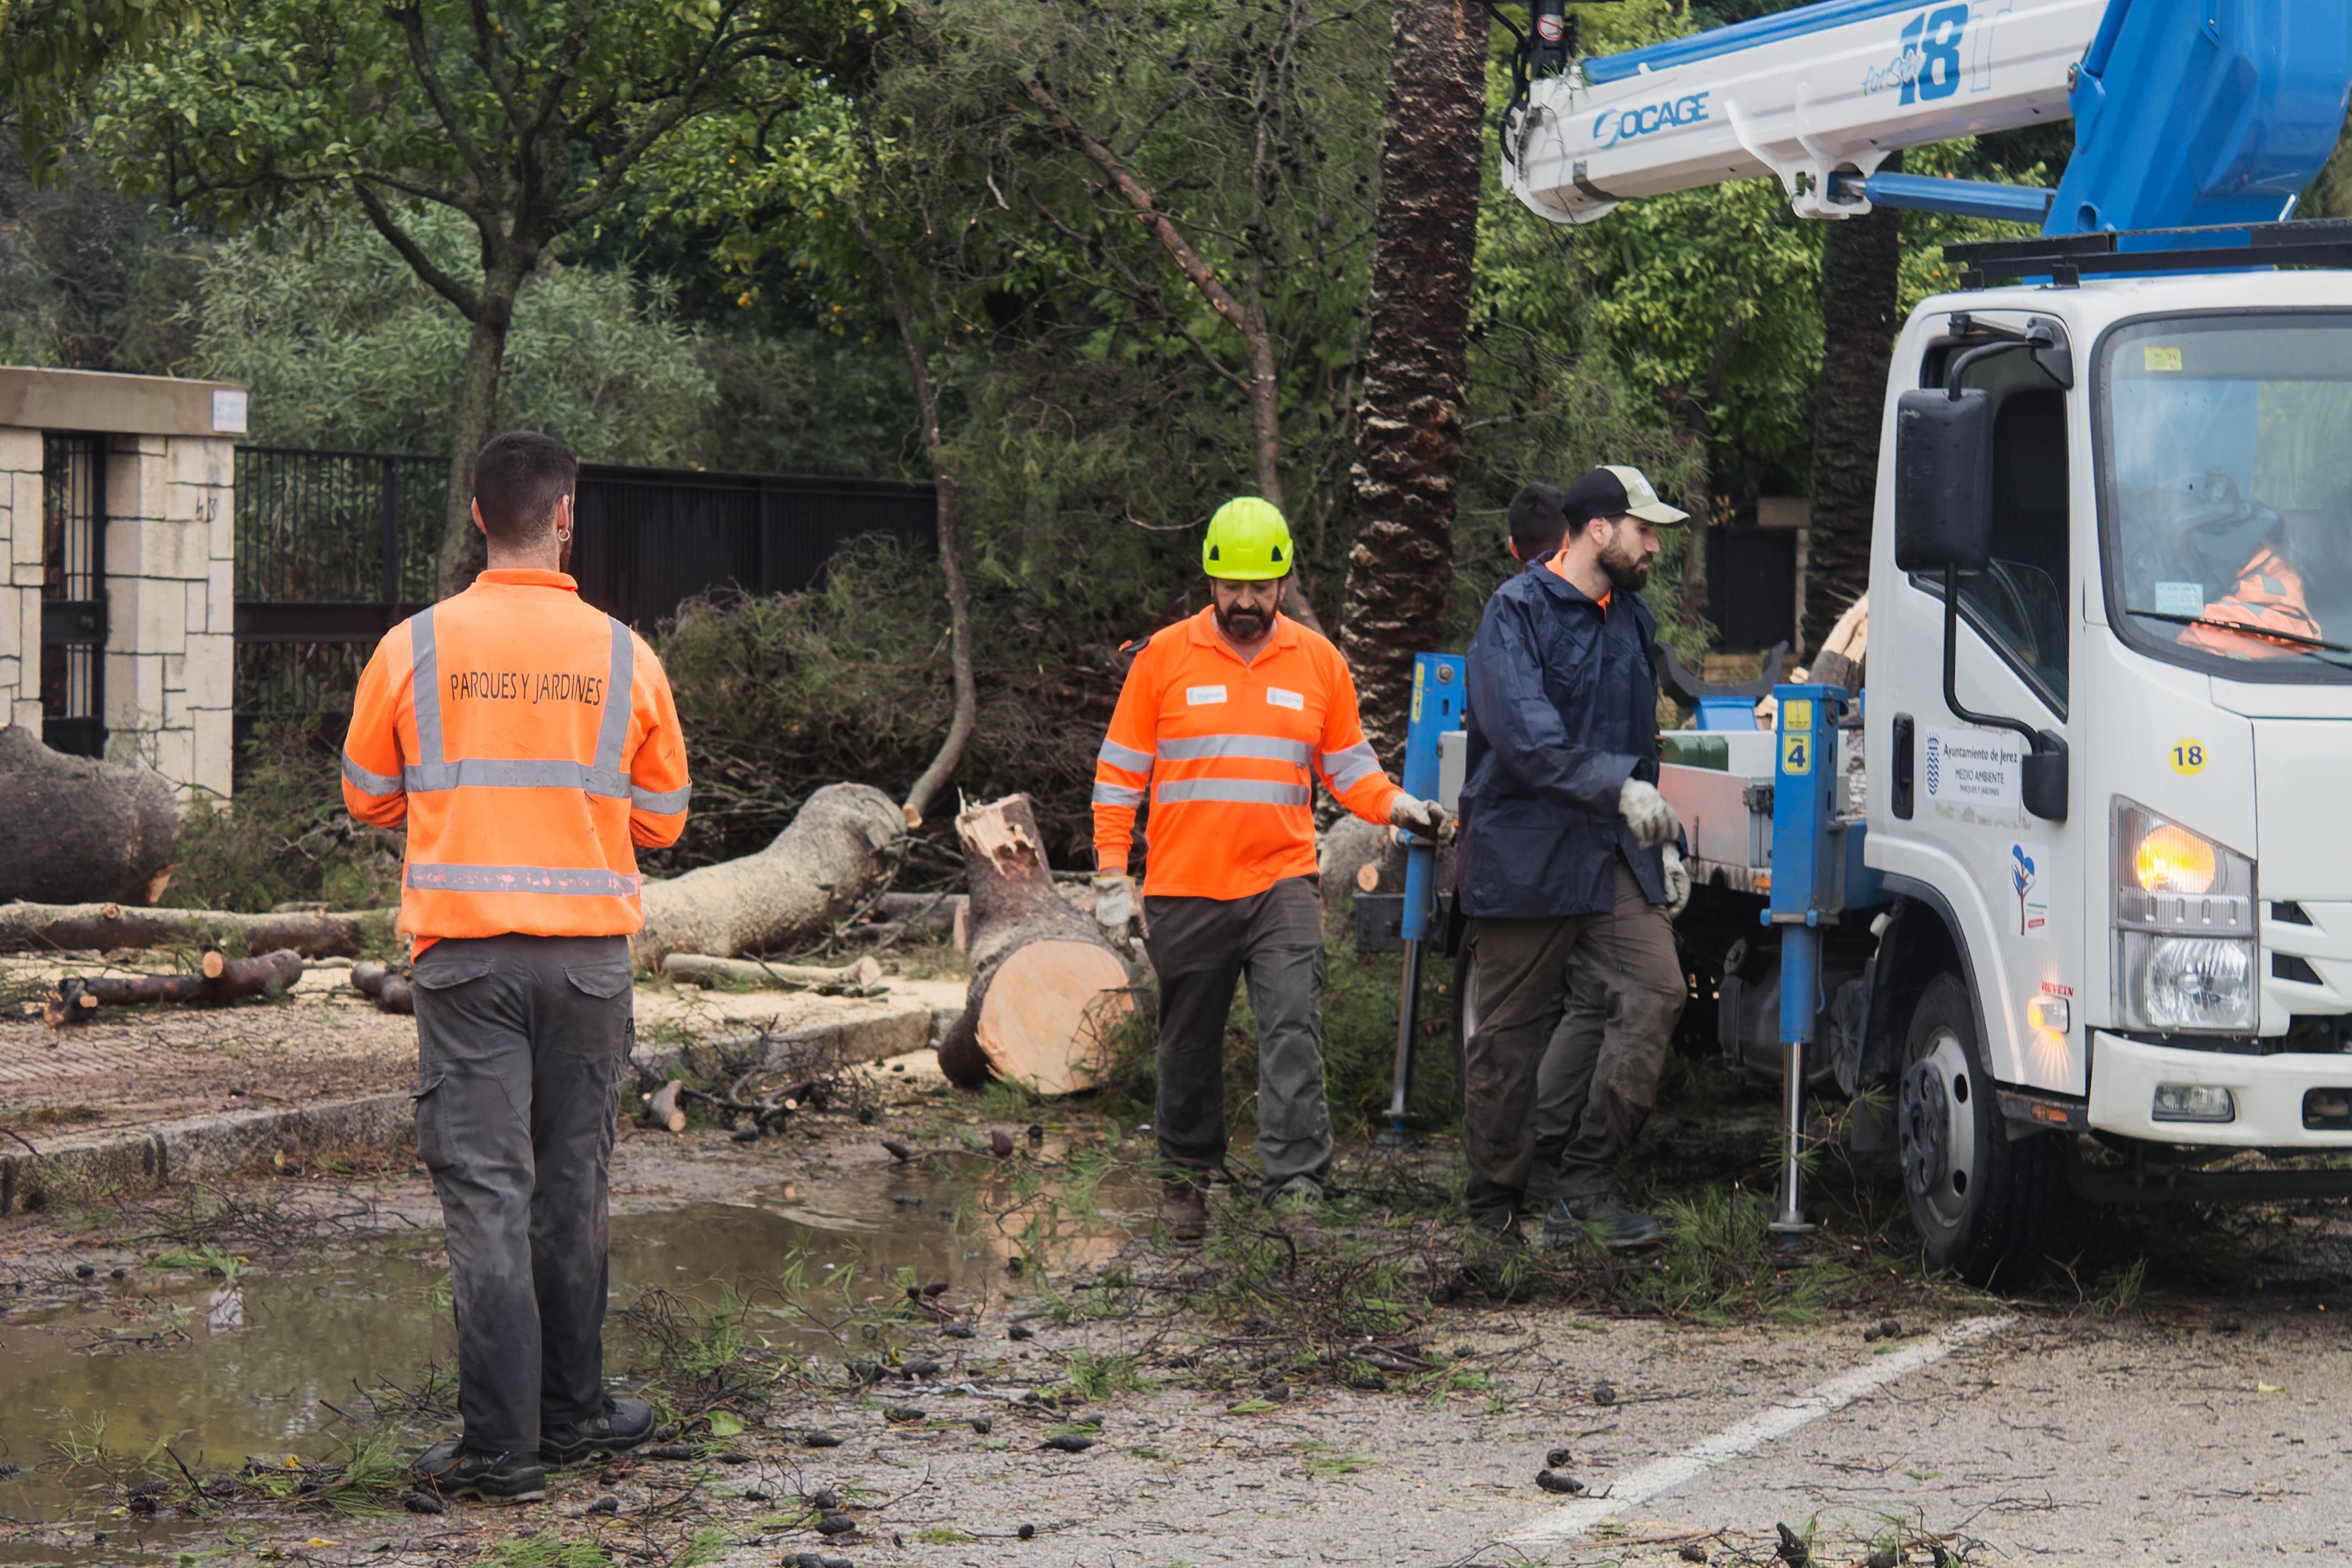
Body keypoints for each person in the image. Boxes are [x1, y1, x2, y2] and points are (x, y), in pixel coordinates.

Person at [342, 431, 692, 1501]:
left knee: (489, 1194)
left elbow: (367, 792)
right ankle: (573, 1412)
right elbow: (666, 819)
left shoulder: (413, 647)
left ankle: (502, 1447)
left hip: (465, 959)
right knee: (571, 1182)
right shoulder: (627, 655)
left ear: (479, 517)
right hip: (588, 963)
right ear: (567, 516)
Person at [1092, 497, 1447, 1239]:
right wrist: (1109, 876)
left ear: (1285, 580)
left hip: (1284, 883)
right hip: (1185, 888)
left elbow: (1351, 769)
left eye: (1260, 586)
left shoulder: (1319, 662)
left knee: (1292, 1029)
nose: (1245, 601)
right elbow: (1119, 775)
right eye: (1231, 586)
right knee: (1188, 1041)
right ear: (1209, 581)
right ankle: (1187, 1181)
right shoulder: (1162, 659)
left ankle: (1295, 1186)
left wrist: (1399, 806)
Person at [1455, 465, 1692, 1248]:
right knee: (1508, 1039)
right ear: (1599, 528)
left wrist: (1666, 844)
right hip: (1528, 856)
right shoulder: (1515, 612)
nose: (1655, 545)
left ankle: (1585, 1186)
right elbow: (1524, 738)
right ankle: (1493, 1210)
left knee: (1656, 990)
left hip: (1611, 852)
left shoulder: (1632, 616)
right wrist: (1618, 790)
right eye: (1645, 529)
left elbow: (1638, 747)